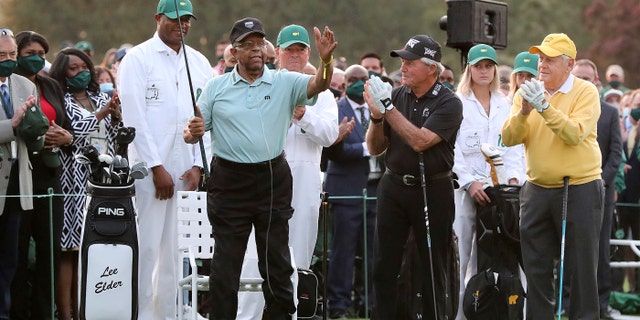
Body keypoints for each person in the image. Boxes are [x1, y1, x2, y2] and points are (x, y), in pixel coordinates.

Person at [184, 17, 337, 320]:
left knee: (276, 265)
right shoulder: (216, 87)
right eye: (248, 45)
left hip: (271, 179)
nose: (256, 50)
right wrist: (194, 130)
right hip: (229, 182)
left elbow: (319, 83)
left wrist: (327, 59)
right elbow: (193, 131)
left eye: (260, 44)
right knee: (226, 267)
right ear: (235, 50)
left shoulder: (284, 81)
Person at [236, 24, 340, 320]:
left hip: (304, 184)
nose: (295, 55)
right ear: (276, 53)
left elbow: (330, 135)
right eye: (289, 50)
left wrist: (303, 114)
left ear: (309, 53)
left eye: (301, 50)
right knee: (254, 261)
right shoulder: (259, 86)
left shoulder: (323, 94)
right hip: (262, 184)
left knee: (298, 263)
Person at [117, 0, 212, 318]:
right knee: (148, 246)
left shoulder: (198, 62)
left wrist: (199, 163)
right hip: (149, 171)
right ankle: (141, 312)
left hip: (186, 170)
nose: (181, 25)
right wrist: (156, 168)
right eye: (174, 19)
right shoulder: (137, 59)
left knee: (177, 251)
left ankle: (169, 312)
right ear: (158, 18)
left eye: (187, 20)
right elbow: (135, 119)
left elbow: (205, 118)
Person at [501, 33, 604, 319]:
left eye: (549, 59)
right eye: (540, 58)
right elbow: (508, 138)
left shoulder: (585, 91)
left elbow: (574, 134)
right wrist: (523, 111)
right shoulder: (526, 92)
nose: (542, 64)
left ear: (569, 64)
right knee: (535, 269)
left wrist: (545, 108)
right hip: (535, 189)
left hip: (580, 188)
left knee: (582, 271)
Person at [364, 34, 463, 320]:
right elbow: (375, 147)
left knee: (433, 266)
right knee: (384, 265)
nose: (403, 67)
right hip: (394, 185)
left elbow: (420, 141)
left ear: (432, 68)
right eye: (403, 62)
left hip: (433, 189)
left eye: (410, 62)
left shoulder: (449, 103)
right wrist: (377, 117)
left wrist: (389, 110)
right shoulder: (396, 95)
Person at [451, 43, 524, 319]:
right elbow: (452, 149)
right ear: (469, 69)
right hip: (466, 191)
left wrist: (513, 179)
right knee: (461, 260)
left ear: (495, 70)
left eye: (488, 66)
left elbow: (513, 145)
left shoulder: (505, 104)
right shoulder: (457, 103)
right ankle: (458, 314)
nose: (483, 71)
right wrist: (470, 182)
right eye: (478, 66)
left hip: (501, 192)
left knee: (503, 256)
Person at [48, 46, 122, 320]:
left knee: (91, 249)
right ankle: (66, 313)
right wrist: (104, 111)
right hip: (73, 182)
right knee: (70, 250)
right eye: (73, 68)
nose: (81, 72)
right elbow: (77, 130)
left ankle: (85, 310)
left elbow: (112, 138)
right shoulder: (63, 100)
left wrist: (115, 116)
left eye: (84, 66)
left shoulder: (95, 96)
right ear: (63, 74)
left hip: (101, 181)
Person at [9, 30, 74, 320]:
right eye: (29, 54)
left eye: (41, 54)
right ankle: (17, 311)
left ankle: (45, 313)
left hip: (50, 174)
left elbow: (68, 126)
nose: (36, 59)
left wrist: (65, 138)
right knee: (18, 251)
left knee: (49, 251)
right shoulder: (10, 86)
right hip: (18, 175)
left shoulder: (51, 86)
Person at [570, 58, 623, 319]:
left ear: (597, 82)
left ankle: (601, 305)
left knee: (600, 252)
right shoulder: (565, 110)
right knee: (571, 250)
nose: (582, 82)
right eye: (578, 77)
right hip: (570, 191)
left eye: (587, 78)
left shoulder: (610, 113)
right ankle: (569, 303)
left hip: (600, 192)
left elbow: (616, 154)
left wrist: (599, 182)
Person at [323, 64, 377, 319]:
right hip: (345, 191)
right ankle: (338, 306)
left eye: (363, 79)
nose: (358, 83)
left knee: (373, 252)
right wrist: (367, 149)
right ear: (344, 84)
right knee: (343, 252)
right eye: (353, 79)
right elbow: (335, 150)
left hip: (375, 190)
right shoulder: (337, 109)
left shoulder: (377, 109)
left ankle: (368, 303)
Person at [0, 27, 44, 320]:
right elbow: (13, 125)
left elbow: (34, 137)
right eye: (1, 55)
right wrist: (12, 124)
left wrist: (37, 129)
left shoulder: (25, 86)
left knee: (9, 259)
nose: (8, 60)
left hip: (17, 182)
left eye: (12, 54)